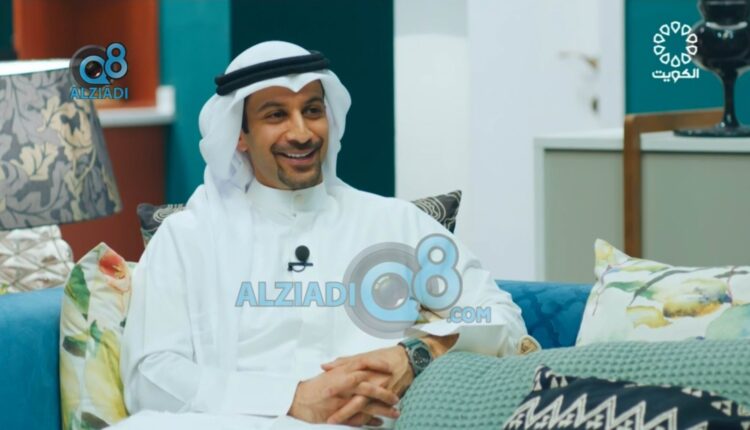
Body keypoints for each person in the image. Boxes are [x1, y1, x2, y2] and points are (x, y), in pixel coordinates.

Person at [116, 41, 529, 430]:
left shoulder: (394, 223)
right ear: (239, 136)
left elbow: (499, 316)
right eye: (276, 115)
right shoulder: (187, 238)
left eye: (312, 110)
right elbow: (150, 376)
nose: (301, 133)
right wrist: (291, 399)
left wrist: (416, 354)